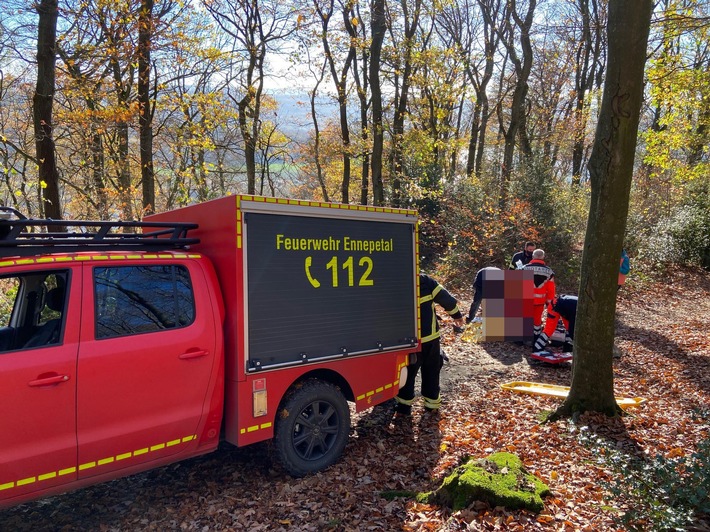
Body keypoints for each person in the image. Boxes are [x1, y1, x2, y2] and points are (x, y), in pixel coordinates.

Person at [395, 274, 464, 415]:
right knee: (431, 371)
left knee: (407, 373)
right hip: (430, 339)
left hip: (408, 342)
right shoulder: (425, 281)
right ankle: (431, 405)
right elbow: (446, 299)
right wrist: (457, 315)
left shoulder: (397, 282)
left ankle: (404, 406)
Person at [522, 249, 555, 340]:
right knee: (537, 320)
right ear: (543, 257)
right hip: (540, 301)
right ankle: (535, 339)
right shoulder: (549, 272)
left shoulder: (524, 268)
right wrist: (550, 303)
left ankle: (522, 339)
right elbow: (551, 289)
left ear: (533, 256)